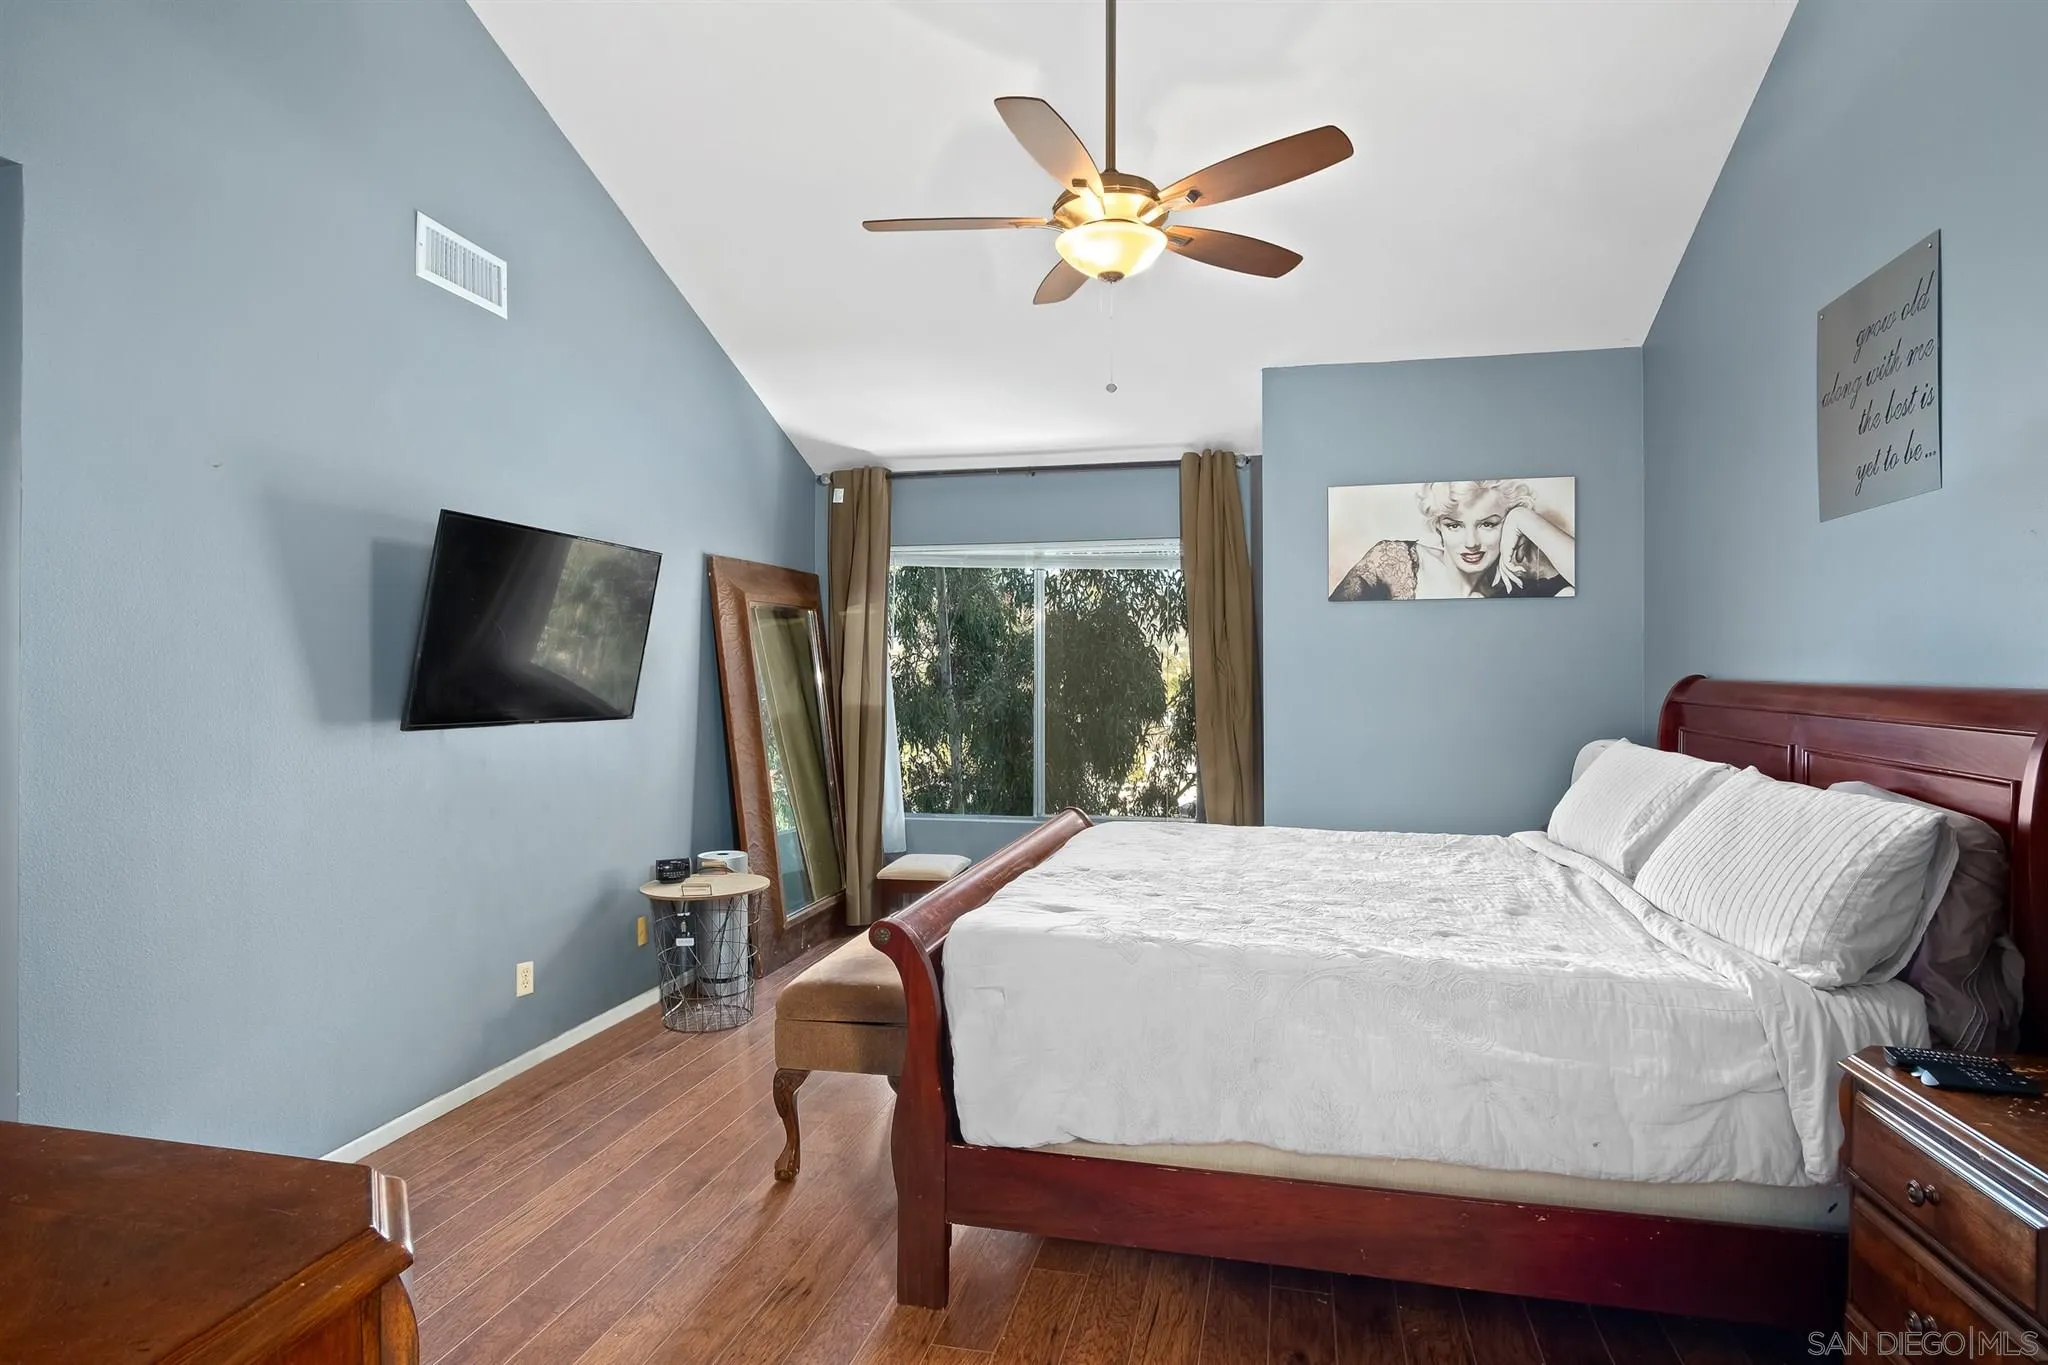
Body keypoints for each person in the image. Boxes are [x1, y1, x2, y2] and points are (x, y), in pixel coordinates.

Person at [1329, 480, 1575, 601]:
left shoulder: (1522, 585)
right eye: (1454, 525)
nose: (1471, 543)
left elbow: (1595, 589)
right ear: (1438, 526)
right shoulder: (1392, 562)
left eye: (1488, 524)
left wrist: (1525, 519)